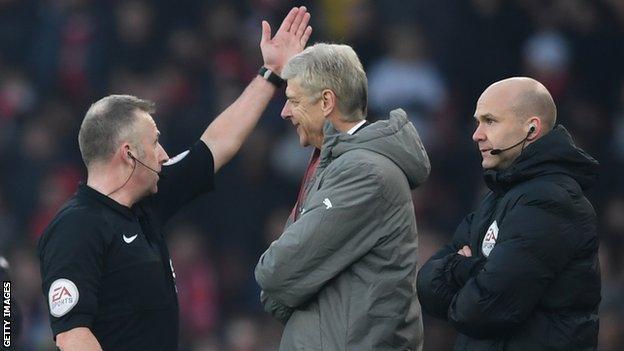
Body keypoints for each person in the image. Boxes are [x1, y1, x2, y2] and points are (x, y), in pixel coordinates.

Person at [37, 7, 312, 351]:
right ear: (128, 154)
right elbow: (73, 335)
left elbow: (216, 144)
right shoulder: (76, 227)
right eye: (154, 142)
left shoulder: (145, 202)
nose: (165, 154)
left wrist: (270, 73)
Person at [254, 43, 430, 350]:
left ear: (326, 101)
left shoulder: (363, 172)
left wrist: (290, 285)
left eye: (292, 100)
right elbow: (275, 287)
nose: (284, 112)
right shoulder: (338, 164)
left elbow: (276, 271)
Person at [416, 77, 601, 350]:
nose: (476, 134)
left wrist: (457, 267)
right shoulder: (497, 196)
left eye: (490, 121)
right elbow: (427, 285)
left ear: (531, 128)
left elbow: (481, 309)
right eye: (478, 121)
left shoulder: (551, 201)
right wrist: (479, 272)